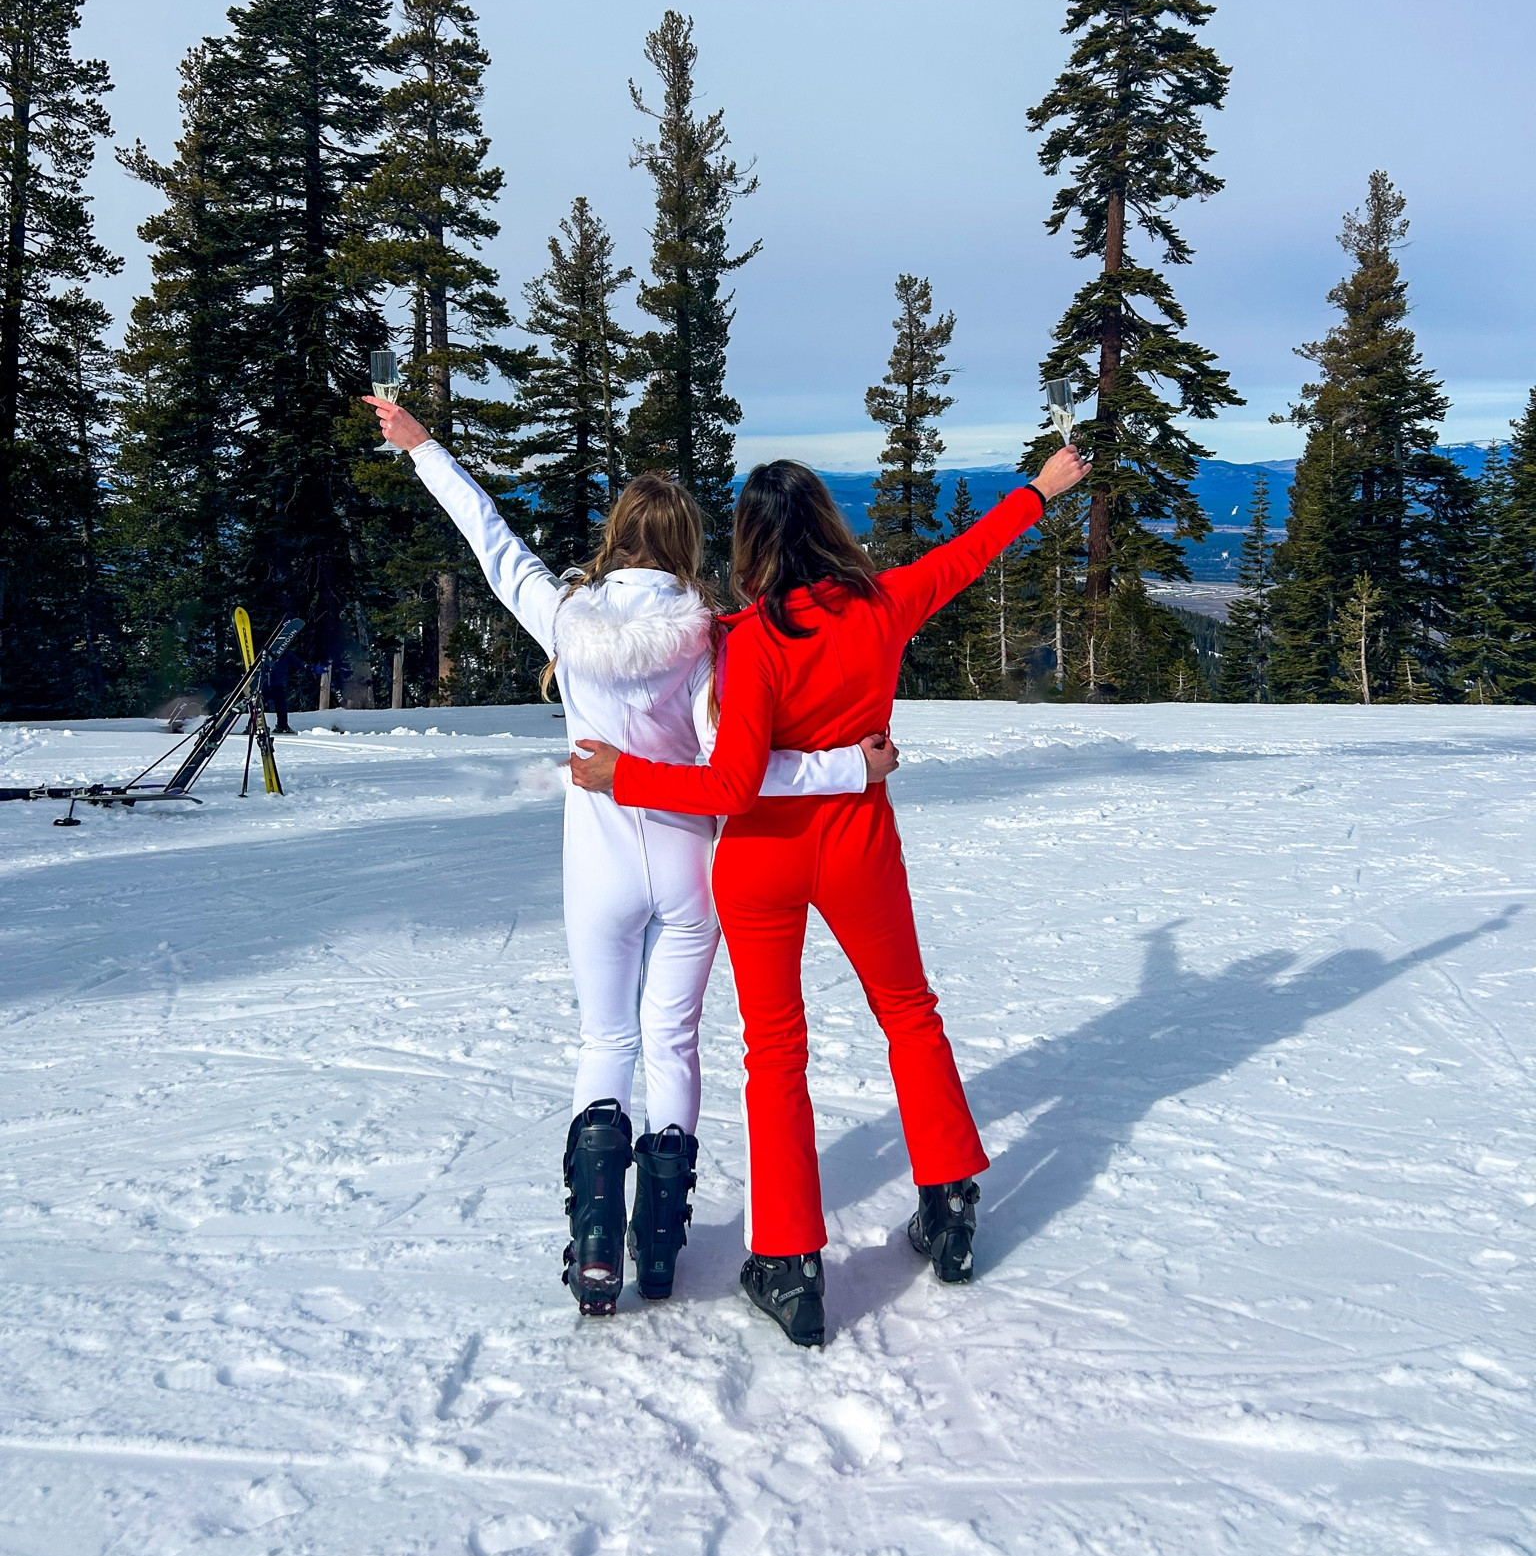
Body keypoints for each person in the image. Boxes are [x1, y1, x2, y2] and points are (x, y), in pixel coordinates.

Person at [364, 395, 891, 1316]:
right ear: (688, 544)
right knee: (674, 1043)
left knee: (606, 1041)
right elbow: (753, 771)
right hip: (690, 866)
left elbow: (489, 540)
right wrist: (853, 763)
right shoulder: (712, 639)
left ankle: (598, 1246)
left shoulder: (566, 620)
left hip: (598, 867)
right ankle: (660, 1248)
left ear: (616, 537)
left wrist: (421, 446)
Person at [570, 446, 1089, 1345]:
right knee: (908, 1013)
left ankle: (789, 1262)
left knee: (776, 1055)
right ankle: (951, 1202)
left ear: (752, 543)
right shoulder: (884, 605)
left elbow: (731, 787)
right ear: (825, 524)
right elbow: (969, 556)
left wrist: (626, 776)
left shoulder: (751, 642)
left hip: (763, 864)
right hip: (859, 846)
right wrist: (1039, 492)